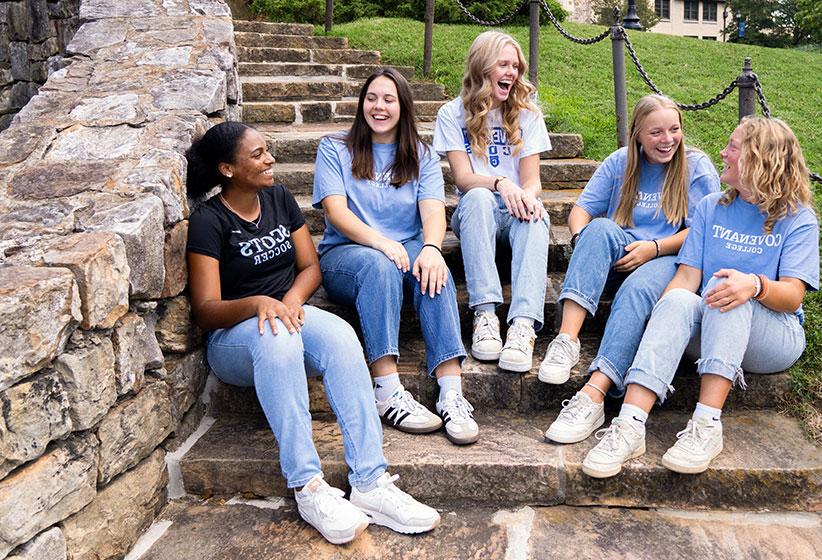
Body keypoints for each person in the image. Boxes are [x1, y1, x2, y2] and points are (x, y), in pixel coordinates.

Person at [185, 121, 441, 544]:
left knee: (341, 336)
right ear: (227, 169)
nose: (270, 159)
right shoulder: (209, 222)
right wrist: (257, 304)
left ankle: (370, 482)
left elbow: (310, 267)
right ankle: (308, 487)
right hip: (234, 338)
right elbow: (206, 310)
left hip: (289, 314)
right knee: (278, 339)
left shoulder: (279, 198)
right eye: (258, 154)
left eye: (268, 150)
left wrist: (290, 299)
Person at [579, 116, 820, 478]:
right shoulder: (711, 206)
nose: (722, 153)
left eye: (733, 148)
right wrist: (661, 323)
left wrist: (755, 285)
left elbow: (792, 297)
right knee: (679, 300)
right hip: (710, 324)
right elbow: (687, 277)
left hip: (773, 334)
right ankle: (629, 426)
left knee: (729, 292)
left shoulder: (798, 218)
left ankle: (706, 425)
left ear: (759, 158)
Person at [539, 95, 720, 445]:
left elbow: (701, 231)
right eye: (656, 132)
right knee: (598, 228)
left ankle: (595, 393)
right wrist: (584, 239)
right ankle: (567, 341)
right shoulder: (620, 162)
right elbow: (581, 212)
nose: (667, 139)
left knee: (636, 291)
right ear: (637, 133)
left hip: (670, 257)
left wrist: (653, 248)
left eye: (674, 129)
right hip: (620, 253)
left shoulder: (696, 167)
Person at [314, 68, 478, 446]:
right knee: (380, 265)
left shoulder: (420, 155)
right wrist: (380, 242)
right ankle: (386, 388)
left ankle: (451, 391)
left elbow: (434, 210)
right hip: (347, 255)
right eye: (371, 98)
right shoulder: (334, 147)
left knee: (433, 268)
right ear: (362, 104)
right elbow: (336, 212)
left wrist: (433, 248)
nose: (379, 106)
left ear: (403, 107)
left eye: (388, 99)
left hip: (405, 249)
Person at [433, 30, 552, 373]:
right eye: (503, 64)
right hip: (477, 211)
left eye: (515, 66)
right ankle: (485, 314)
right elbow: (463, 178)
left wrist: (526, 198)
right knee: (479, 197)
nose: (512, 72)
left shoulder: (528, 114)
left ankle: (523, 325)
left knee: (535, 213)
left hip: (514, 212)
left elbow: (531, 182)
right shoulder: (451, 113)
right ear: (482, 66)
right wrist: (502, 183)